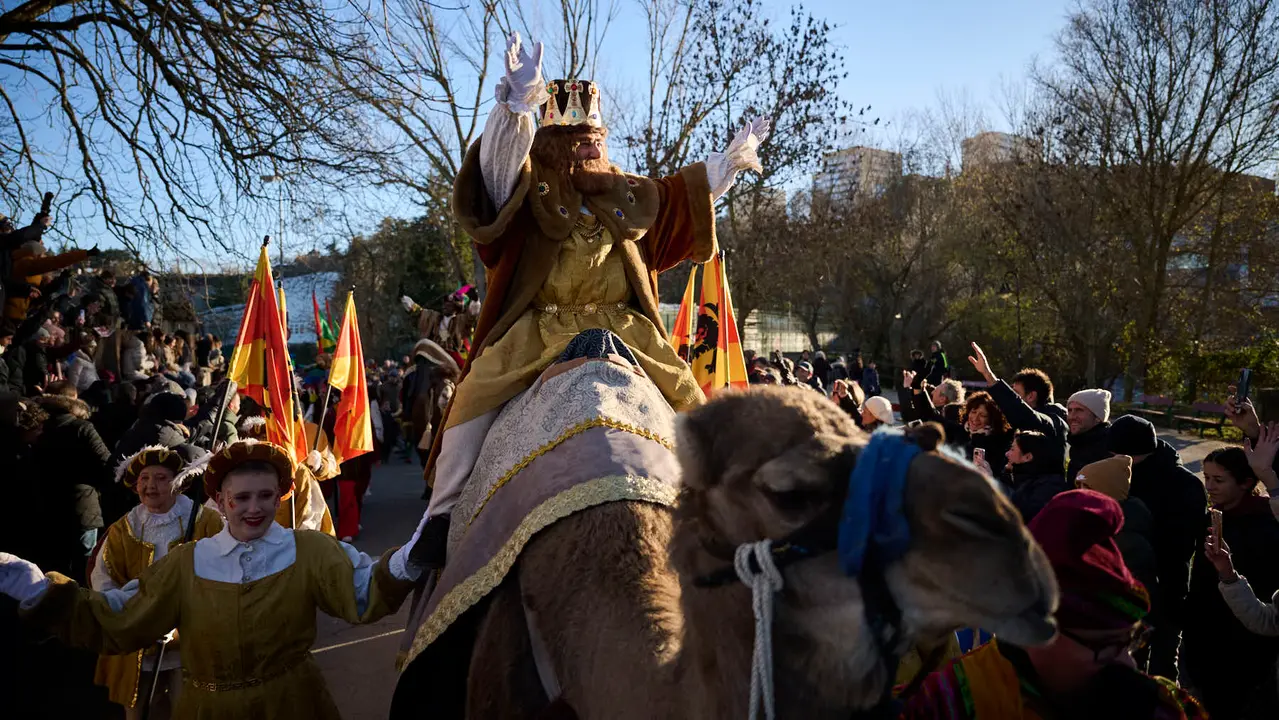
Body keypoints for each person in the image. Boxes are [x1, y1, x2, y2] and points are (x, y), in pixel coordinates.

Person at [416, 31, 772, 561]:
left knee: (689, 404)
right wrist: (516, 106)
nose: (594, 145)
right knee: (470, 403)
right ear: (557, 145)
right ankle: (441, 516)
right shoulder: (529, 188)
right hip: (540, 329)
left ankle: (728, 507)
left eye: (598, 138)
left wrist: (728, 163)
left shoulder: (625, 193)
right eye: (583, 138)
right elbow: (497, 171)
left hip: (624, 329)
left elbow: (677, 200)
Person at [0, 440, 424, 720]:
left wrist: (409, 557)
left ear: (280, 496)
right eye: (241, 497)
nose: (254, 508)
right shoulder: (188, 562)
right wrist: (36, 587)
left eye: (265, 496)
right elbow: (120, 615)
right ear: (220, 501)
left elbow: (362, 591)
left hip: (295, 705)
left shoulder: (308, 550)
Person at [903, 490, 1208, 720]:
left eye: (1130, 641)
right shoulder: (950, 703)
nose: (1129, 664)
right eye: (1105, 647)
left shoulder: (1161, 705)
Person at [89, 446, 223, 719]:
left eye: (161, 478)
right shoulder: (123, 528)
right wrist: (130, 613)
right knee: (140, 710)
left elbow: (225, 574)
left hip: (191, 641)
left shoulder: (205, 521)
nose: (151, 486)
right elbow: (103, 578)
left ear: (177, 482)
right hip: (138, 639)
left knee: (189, 708)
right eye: (144, 478)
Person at [1108, 414, 1208, 681]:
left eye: (1121, 454)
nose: (1116, 458)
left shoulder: (1184, 485)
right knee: (1131, 663)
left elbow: (1182, 544)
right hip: (1129, 587)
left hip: (1167, 586)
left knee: (1164, 663)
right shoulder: (1121, 477)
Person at [1182, 446, 1279, 719]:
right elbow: (1200, 582)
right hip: (1205, 638)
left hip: (1242, 649)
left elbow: (1264, 599)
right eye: (1206, 477)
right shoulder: (1213, 518)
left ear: (1246, 483)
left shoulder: (1264, 527)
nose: (1209, 486)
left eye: (1218, 480)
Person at [967, 341, 1068, 468]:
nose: (1013, 398)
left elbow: (1023, 414)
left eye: (1015, 393)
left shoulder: (1052, 423)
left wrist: (989, 376)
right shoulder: (1016, 427)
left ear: (1031, 396)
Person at [1075, 455, 1159, 604]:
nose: (1081, 496)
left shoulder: (1129, 541)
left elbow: (1136, 599)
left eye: (1088, 489)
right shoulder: (1093, 526)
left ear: (1108, 493)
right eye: (1079, 488)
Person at [1000, 430, 1070, 524]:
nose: (1007, 454)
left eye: (1012, 449)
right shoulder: (1020, 478)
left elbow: (1023, 517)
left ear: (1028, 457)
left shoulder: (1049, 486)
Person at [963, 390, 1014, 478]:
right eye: (973, 412)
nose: (975, 419)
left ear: (992, 419)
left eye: (983, 416)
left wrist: (978, 438)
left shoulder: (999, 443)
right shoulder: (962, 431)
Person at [1068, 389, 1113, 481]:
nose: (1071, 416)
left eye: (1079, 410)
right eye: (1069, 410)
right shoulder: (1079, 443)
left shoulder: (1109, 448)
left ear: (1098, 417)